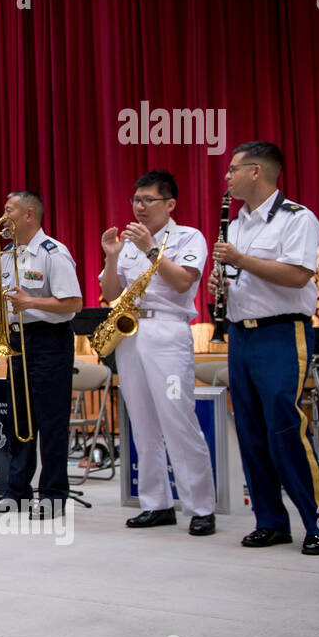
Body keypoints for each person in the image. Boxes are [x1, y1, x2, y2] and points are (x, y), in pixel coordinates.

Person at [210, 140, 319, 555]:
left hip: (282, 333)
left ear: (257, 172)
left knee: (284, 425)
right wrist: (221, 283)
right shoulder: (238, 222)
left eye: (233, 170)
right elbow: (239, 273)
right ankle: (270, 521)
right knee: (249, 429)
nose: (227, 177)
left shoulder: (296, 219)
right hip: (240, 334)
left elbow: (298, 276)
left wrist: (240, 260)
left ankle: (318, 523)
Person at [100, 171, 216, 535]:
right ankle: (156, 503)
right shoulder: (128, 241)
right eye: (135, 200)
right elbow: (109, 293)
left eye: (148, 200)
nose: (139, 206)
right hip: (131, 332)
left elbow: (184, 281)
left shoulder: (188, 237)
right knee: (142, 422)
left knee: (177, 418)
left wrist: (151, 248)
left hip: (167, 331)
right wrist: (111, 257)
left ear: (169, 204)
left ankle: (201, 507)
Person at [0, 191, 82, 516]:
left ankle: (52, 495)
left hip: (50, 342)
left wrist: (32, 302)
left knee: (51, 422)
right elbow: (2, 301)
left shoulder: (53, 253)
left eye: (9, 211)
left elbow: (73, 303)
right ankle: (16, 490)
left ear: (29, 214)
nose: (4, 218)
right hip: (18, 341)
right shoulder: (6, 256)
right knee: (18, 421)